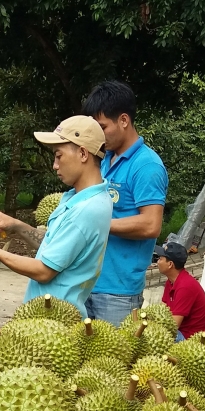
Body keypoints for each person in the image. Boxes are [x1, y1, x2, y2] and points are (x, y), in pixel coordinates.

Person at [0, 116, 112, 315]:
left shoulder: (88, 209)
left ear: (82, 153)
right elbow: (56, 249)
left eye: (58, 155)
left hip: (55, 324)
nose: (54, 165)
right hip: (46, 316)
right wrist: (17, 226)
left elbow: (44, 271)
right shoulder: (82, 198)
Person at [82, 81, 168, 325]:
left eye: (102, 127)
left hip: (118, 293)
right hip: (87, 281)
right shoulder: (105, 159)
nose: (97, 135)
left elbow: (151, 225)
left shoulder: (146, 166)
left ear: (123, 120)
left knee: (111, 362)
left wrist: (97, 223)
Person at [154, 241, 205, 340]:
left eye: (161, 258)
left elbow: (173, 326)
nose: (157, 261)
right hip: (178, 330)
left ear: (170, 264)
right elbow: (161, 310)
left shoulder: (185, 287)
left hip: (188, 337)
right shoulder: (171, 281)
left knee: (153, 338)